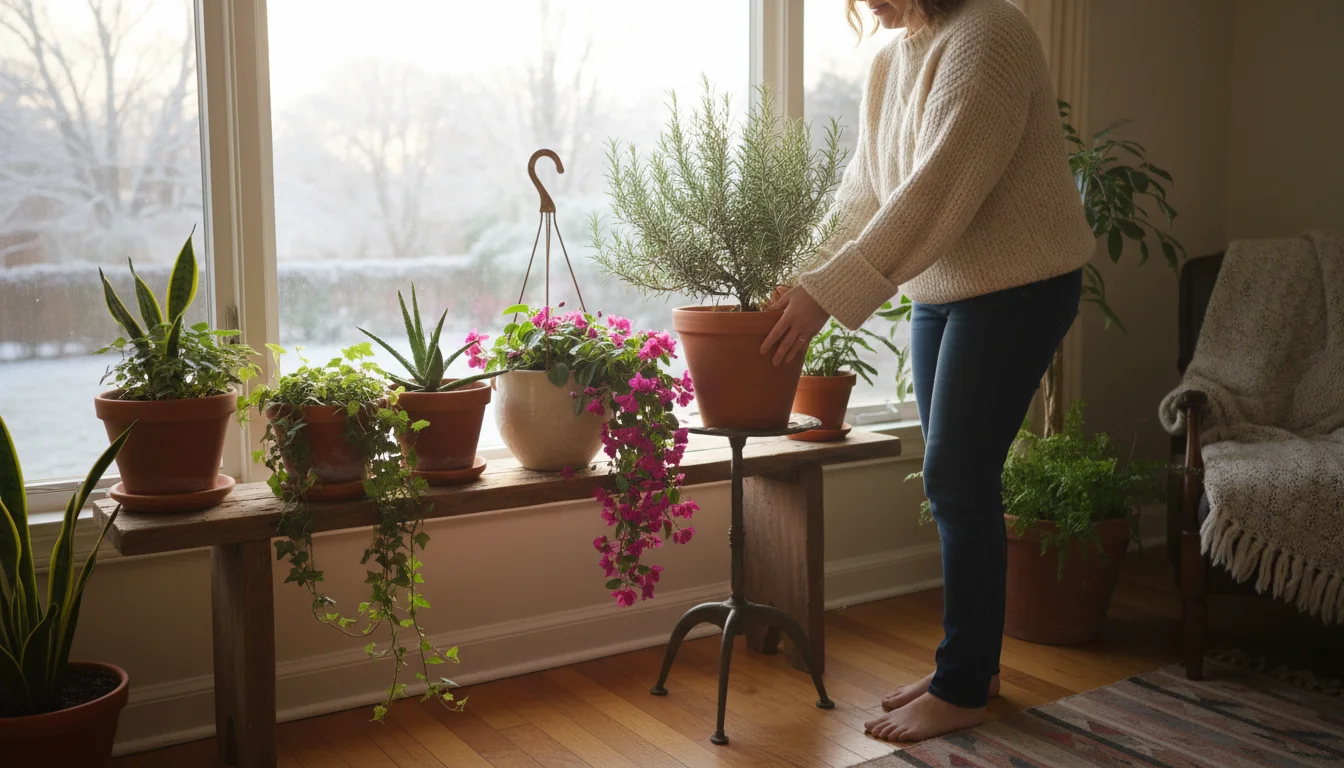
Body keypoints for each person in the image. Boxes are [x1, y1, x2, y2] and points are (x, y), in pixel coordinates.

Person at [761, 0, 1093, 743]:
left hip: (1021, 285)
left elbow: (937, 188)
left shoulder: (992, 36)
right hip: (945, 288)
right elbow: (864, 194)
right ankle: (973, 666)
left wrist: (830, 294)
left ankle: (963, 684)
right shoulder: (890, 59)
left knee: (956, 478)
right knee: (955, 483)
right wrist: (799, 282)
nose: (863, 2)